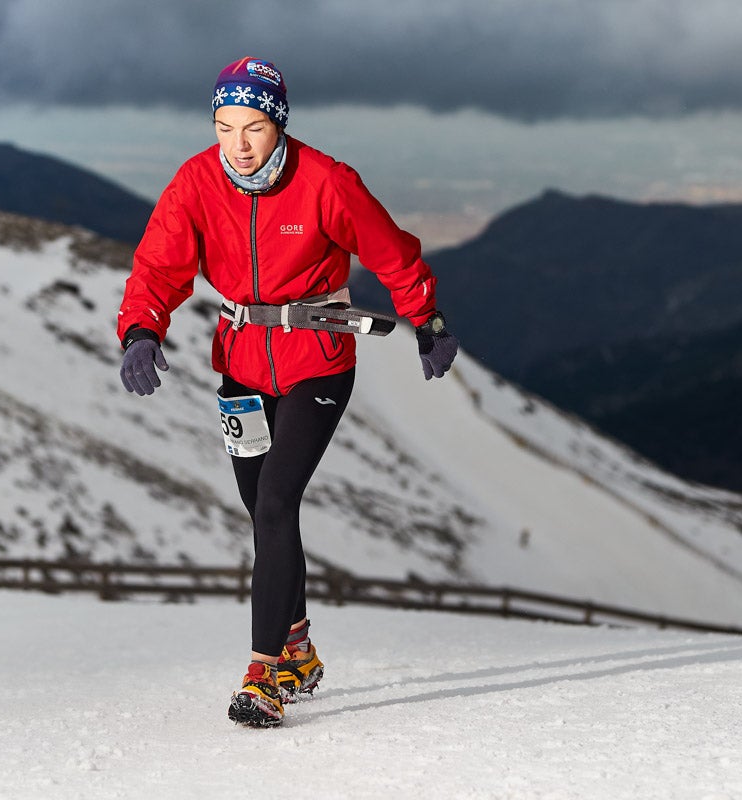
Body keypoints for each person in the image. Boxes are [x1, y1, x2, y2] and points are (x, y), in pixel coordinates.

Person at [116, 57, 459, 728]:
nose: (237, 145)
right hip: (240, 364)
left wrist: (429, 318)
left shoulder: (327, 181)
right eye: (223, 127)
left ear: (278, 122)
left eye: (252, 127)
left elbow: (391, 251)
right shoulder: (196, 182)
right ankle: (297, 644)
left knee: (276, 500)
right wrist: (140, 330)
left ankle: (264, 674)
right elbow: (158, 266)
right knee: (259, 509)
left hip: (317, 359)